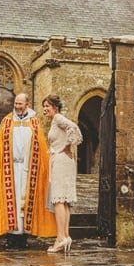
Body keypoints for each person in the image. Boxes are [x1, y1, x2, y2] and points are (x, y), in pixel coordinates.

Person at [0, 93, 56, 249]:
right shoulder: (7, 121)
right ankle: (11, 237)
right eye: (15, 103)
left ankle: (23, 237)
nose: (17, 106)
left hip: (29, 169)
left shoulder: (34, 122)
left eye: (20, 104)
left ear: (27, 104)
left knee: (25, 201)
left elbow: (41, 146)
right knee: (12, 201)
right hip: (10, 168)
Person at [42, 94, 82, 254]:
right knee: (64, 200)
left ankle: (60, 238)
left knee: (58, 199)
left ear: (55, 107)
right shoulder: (56, 120)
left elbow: (74, 128)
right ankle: (65, 236)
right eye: (44, 106)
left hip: (61, 160)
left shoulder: (58, 118)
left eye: (47, 106)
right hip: (63, 160)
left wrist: (66, 146)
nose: (45, 109)